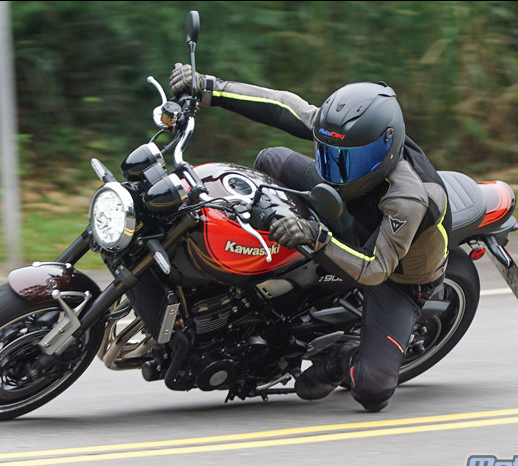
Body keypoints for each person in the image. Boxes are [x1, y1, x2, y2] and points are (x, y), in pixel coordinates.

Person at [170, 65, 450, 412]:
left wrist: (315, 238)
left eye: (352, 160)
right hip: (351, 218)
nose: (338, 171)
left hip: (396, 274)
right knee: (272, 159)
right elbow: (282, 106)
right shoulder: (347, 137)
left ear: (386, 148)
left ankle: (338, 362)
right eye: (331, 156)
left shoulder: (408, 197)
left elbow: (374, 269)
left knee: (372, 389)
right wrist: (209, 87)